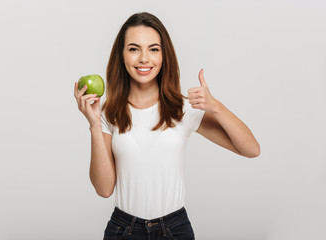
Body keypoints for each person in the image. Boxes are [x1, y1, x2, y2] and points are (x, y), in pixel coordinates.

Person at [74, 12, 260, 240]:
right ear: (121, 56)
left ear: (164, 56)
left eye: (153, 49)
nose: (144, 58)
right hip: (124, 229)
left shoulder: (182, 109)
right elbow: (104, 190)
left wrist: (216, 107)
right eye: (134, 49)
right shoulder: (109, 113)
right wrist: (94, 125)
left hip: (175, 229)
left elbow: (251, 149)